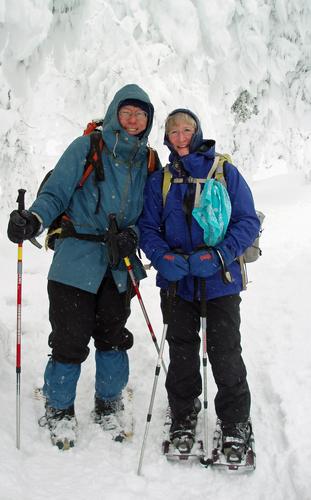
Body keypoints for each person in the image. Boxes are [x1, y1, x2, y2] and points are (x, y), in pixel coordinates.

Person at [7, 84, 158, 450]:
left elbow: (153, 215)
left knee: (112, 338)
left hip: (117, 265)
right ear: (114, 113)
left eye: (141, 114)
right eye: (127, 112)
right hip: (75, 260)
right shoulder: (87, 148)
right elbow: (56, 193)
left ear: (148, 121)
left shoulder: (150, 162)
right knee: (69, 341)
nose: (133, 119)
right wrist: (34, 219)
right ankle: (59, 409)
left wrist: (133, 235)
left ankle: (108, 404)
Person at [138, 108, 260, 463]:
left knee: (224, 351)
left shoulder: (224, 172)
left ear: (198, 131)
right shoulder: (159, 181)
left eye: (187, 129)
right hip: (178, 283)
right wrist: (162, 257)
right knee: (182, 351)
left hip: (220, 279)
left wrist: (220, 256)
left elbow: (247, 221)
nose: (180, 136)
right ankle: (183, 412)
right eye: (173, 131)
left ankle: (235, 420)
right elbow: (148, 228)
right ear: (166, 137)